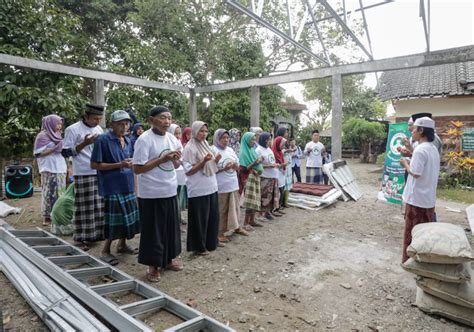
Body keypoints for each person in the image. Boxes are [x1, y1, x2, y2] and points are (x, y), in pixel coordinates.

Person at [133, 105, 183, 282]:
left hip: (169, 189)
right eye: (162, 118)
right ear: (151, 120)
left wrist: (175, 160)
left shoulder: (172, 139)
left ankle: (168, 259)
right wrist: (162, 159)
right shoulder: (144, 140)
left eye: (169, 118)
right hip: (151, 193)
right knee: (153, 231)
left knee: (170, 228)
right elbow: (138, 168)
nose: (167, 121)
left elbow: (177, 165)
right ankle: (153, 266)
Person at [91, 110, 140, 266]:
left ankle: (122, 245)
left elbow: (130, 159)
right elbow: (94, 165)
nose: (124, 126)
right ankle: (105, 250)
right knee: (114, 220)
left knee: (127, 218)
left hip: (127, 184)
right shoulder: (103, 140)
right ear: (112, 124)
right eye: (120, 123)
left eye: (126, 123)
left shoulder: (128, 140)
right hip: (112, 186)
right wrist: (119, 164)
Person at [62, 104, 105, 250]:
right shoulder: (73, 129)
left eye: (99, 118)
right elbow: (65, 152)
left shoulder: (98, 129)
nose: (97, 121)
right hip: (83, 171)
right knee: (83, 206)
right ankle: (80, 237)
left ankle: (96, 235)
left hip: (98, 170)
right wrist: (84, 143)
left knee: (98, 205)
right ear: (85, 116)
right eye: (94, 118)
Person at [400, 117, 440, 263]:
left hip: (416, 199)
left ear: (421, 131)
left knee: (412, 233)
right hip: (428, 199)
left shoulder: (420, 150)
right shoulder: (432, 148)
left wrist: (405, 163)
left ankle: (410, 261)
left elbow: (415, 173)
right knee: (425, 233)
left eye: (415, 128)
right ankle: (425, 260)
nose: (412, 131)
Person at [182, 121, 221, 256]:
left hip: (211, 186)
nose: (204, 134)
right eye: (201, 131)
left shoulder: (205, 145)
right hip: (198, 189)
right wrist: (203, 161)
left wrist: (215, 160)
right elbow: (189, 171)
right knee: (200, 219)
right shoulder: (189, 148)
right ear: (194, 131)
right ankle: (199, 246)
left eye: (205, 131)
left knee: (212, 217)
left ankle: (211, 242)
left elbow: (211, 165)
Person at [212, 129, 249, 244]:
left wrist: (234, 165)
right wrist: (224, 169)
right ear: (217, 139)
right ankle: (220, 232)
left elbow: (238, 166)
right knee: (222, 209)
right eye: (223, 138)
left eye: (227, 138)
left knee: (236, 207)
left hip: (232, 184)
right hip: (220, 185)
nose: (226, 140)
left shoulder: (230, 150)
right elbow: (210, 170)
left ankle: (236, 226)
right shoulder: (212, 150)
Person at [34, 114, 67, 226]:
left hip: (60, 167)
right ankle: (46, 216)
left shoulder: (58, 135)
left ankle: (57, 215)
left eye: (60, 124)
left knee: (60, 192)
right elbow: (38, 153)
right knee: (49, 192)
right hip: (48, 168)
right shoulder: (42, 136)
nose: (60, 126)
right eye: (58, 123)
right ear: (50, 123)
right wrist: (54, 149)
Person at [239, 132, 264, 230]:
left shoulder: (252, 150)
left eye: (254, 139)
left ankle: (252, 220)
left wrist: (259, 162)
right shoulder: (243, 152)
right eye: (252, 140)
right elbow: (243, 168)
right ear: (246, 140)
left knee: (255, 199)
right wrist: (255, 163)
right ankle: (245, 223)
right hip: (249, 178)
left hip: (256, 177)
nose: (254, 142)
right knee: (250, 200)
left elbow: (257, 163)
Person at [255, 132, 280, 220]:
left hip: (272, 176)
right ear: (264, 140)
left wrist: (275, 165)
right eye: (268, 139)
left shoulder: (269, 149)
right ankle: (260, 213)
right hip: (264, 176)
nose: (270, 141)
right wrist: (270, 166)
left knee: (270, 196)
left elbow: (271, 161)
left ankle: (267, 212)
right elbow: (257, 165)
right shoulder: (258, 150)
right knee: (264, 196)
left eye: (270, 139)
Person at [168, 124, 187, 221]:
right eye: (176, 133)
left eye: (179, 133)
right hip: (171, 175)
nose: (178, 136)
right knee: (173, 197)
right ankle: (176, 217)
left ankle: (179, 216)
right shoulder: (168, 143)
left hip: (180, 173)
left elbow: (183, 158)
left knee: (179, 196)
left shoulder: (179, 144)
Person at [272, 136, 288, 214]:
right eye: (282, 144)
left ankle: (279, 206)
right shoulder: (274, 152)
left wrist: (284, 164)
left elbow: (282, 162)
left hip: (281, 173)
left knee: (282, 190)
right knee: (277, 191)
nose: (283, 146)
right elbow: (275, 164)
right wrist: (283, 164)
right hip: (276, 173)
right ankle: (275, 208)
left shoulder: (280, 152)